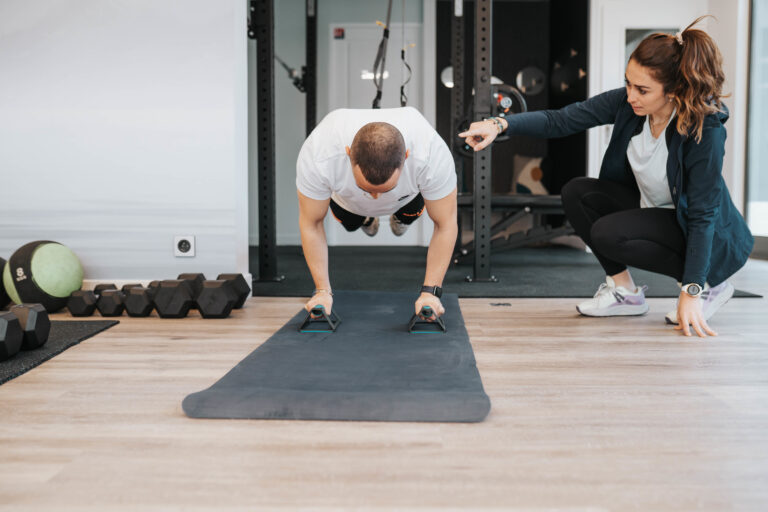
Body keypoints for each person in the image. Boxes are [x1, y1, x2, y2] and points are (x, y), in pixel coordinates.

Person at [459, 17, 753, 338]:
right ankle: (625, 293)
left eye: (642, 89)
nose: (631, 96)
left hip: (698, 229)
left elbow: (702, 214)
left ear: (675, 90)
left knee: (608, 234)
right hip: (654, 209)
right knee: (577, 193)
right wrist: (500, 125)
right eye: (628, 83)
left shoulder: (703, 130)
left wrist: (691, 290)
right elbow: (560, 120)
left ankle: (712, 284)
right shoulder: (627, 105)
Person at [296, 106, 457, 318]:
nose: (375, 197)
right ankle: (366, 220)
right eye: (366, 189)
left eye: (383, 190)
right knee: (351, 221)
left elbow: (446, 223)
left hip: (406, 201)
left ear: (407, 156)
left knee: (412, 210)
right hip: (348, 204)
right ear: (347, 153)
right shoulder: (320, 154)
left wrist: (431, 293)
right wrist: (322, 291)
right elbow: (311, 223)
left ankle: (399, 220)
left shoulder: (429, 154)